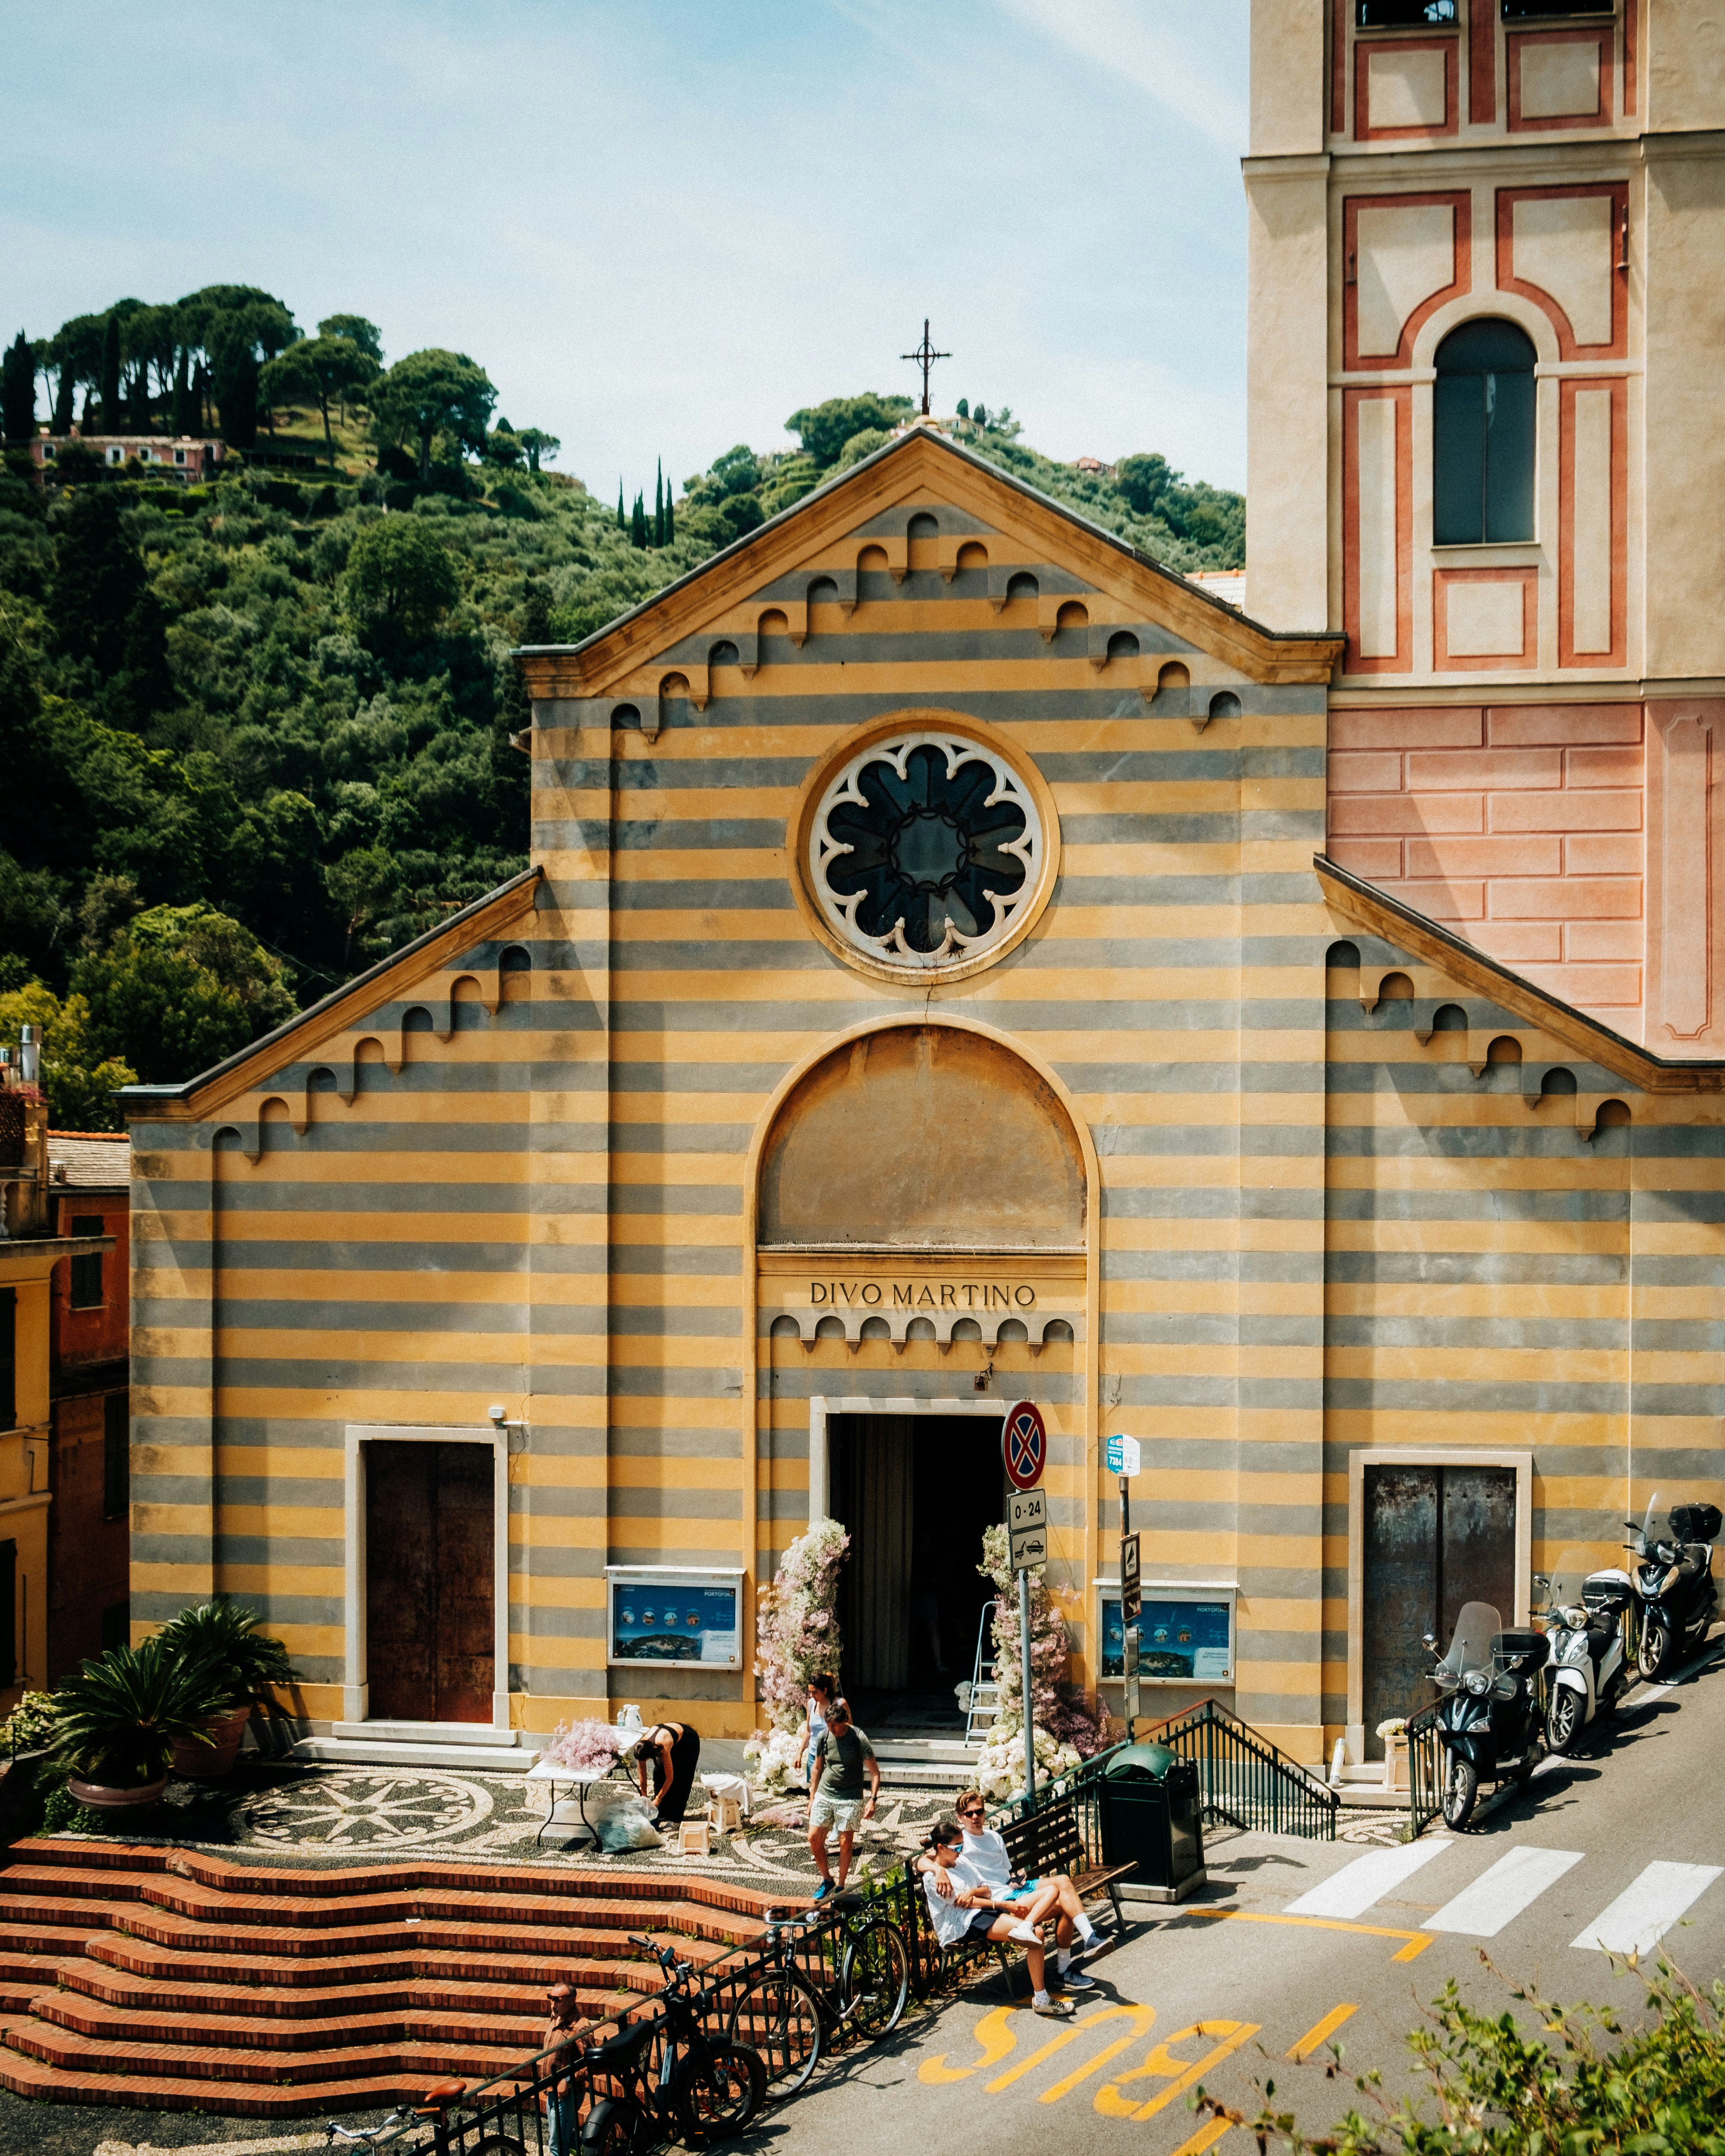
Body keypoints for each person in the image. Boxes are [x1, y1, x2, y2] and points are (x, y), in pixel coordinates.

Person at [931, 1787, 1102, 1990]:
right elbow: (926, 1858)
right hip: (1002, 1899)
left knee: (1064, 1882)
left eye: (980, 1812)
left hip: (1012, 1888)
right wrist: (936, 1869)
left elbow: (1003, 1873)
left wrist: (1016, 1880)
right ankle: (1071, 1960)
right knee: (1061, 1899)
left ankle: (1084, 1945)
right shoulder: (959, 1844)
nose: (975, 1817)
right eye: (970, 1814)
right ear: (960, 1818)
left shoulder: (995, 1837)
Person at [919, 1817, 1073, 2019]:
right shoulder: (933, 1878)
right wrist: (1001, 1905)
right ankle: (1042, 1999)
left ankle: (1026, 1931)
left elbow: (986, 1891)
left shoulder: (962, 1862)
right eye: (957, 1848)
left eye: (963, 1846)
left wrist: (977, 1893)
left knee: (1050, 1895)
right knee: (1038, 1933)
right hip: (963, 1924)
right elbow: (965, 1904)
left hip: (983, 1913)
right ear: (940, 1848)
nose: (962, 1852)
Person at [806, 1697, 879, 1900]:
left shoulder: (859, 1738)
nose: (832, 1730)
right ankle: (827, 1879)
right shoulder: (824, 1736)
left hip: (850, 1797)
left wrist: (872, 1800)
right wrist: (812, 1796)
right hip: (825, 1792)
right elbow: (818, 1767)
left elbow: (875, 1773)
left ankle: (841, 1885)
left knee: (846, 1842)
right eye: (829, 1726)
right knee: (813, 1837)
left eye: (835, 1727)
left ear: (844, 1722)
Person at [542, 1980, 594, 2156]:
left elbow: (590, 2062)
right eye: (551, 1998)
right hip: (552, 2090)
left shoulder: (580, 2026)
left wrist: (568, 2081)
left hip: (567, 2094)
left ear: (572, 2001)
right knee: (566, 2139)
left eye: (558, 2000)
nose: (553, 2004)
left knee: (557, 2146)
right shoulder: (556, 2017)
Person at [632, 1720, 701, 1826]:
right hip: (671, 1741)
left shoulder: (662, 1746)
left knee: (681, 1779)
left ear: (651, 1754)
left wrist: (658, 1798)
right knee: (659, 1774)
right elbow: (643, 1774)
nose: (643, 1763)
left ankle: (675, 1818)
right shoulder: (642, 1746)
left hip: (688, 1742)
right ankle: (662, 1811)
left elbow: (670, 1778)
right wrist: (644, 1796)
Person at [792, 1672, 839, 1790]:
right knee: (814, 1792)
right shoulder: (811, 1704)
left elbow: (850, 1731)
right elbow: (809, 1731)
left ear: (825, 1691)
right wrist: (800, 1754)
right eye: (810, 1692)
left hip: (832, 1756)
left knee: (831, 1792)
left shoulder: (839, 1704)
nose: (812, 1695)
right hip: (814, 1754)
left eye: (815, 1692)